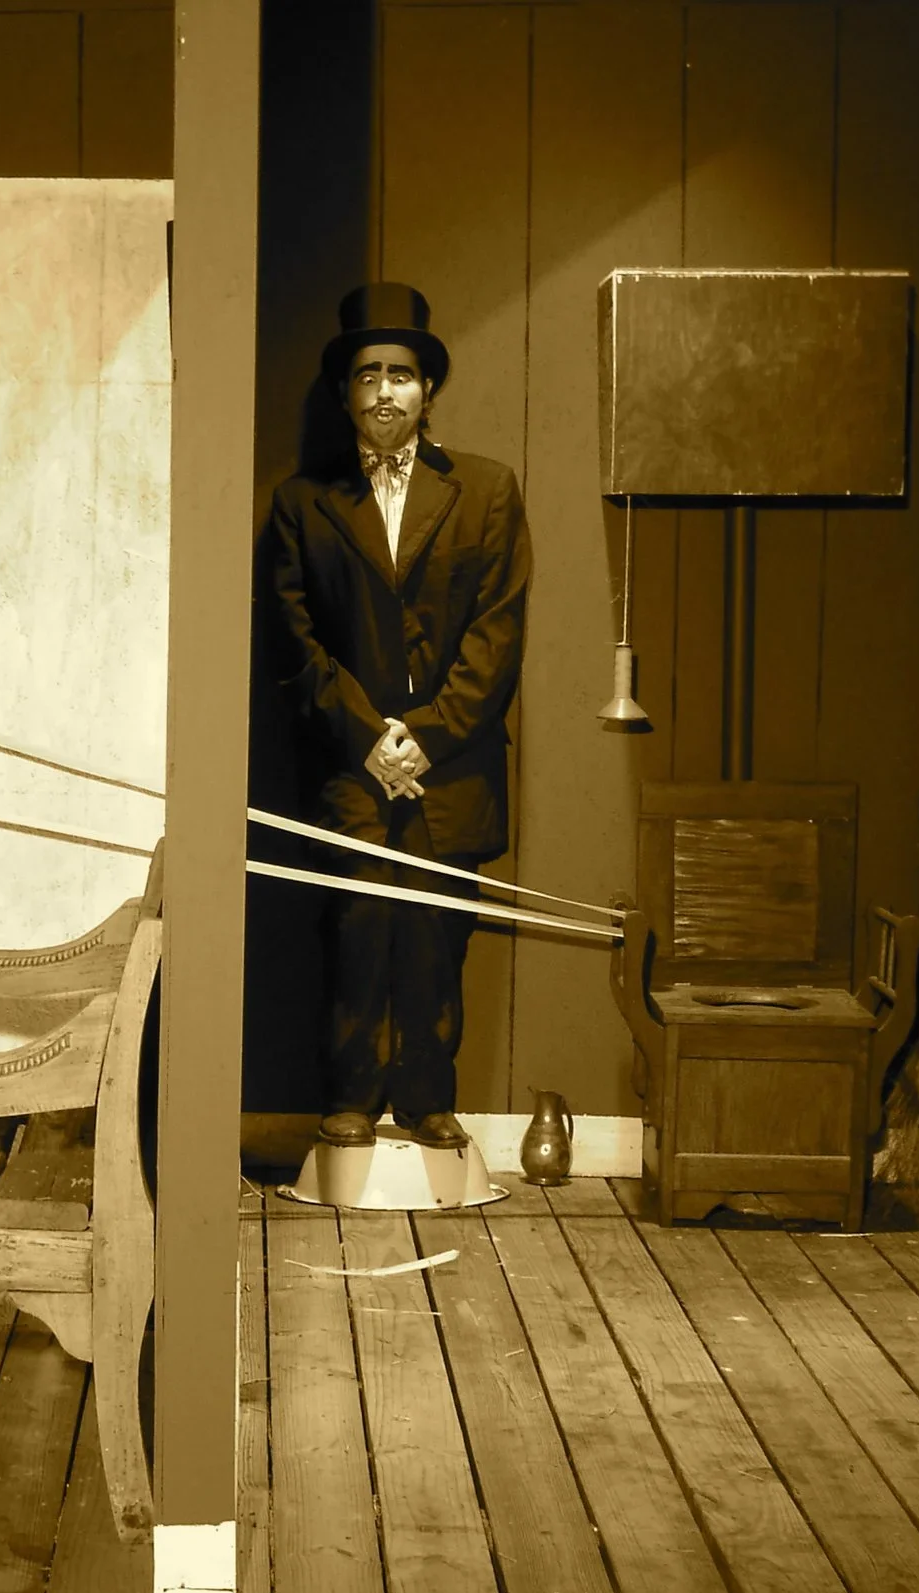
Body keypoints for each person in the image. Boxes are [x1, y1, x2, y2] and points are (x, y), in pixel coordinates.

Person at [258, 284, 531, 1151]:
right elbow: (295, 643)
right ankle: (348, 1098)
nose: (385, 391)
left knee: (435, 929)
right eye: (368, 374)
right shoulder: (304, 504)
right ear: (346, 392)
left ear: (427, 391)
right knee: (357, 927)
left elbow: (497, 632)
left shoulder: (487, 492)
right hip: (351, 765)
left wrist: (430, 734)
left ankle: (425, 1099)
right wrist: (370, 736)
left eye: (402, 375)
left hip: (452, 766)